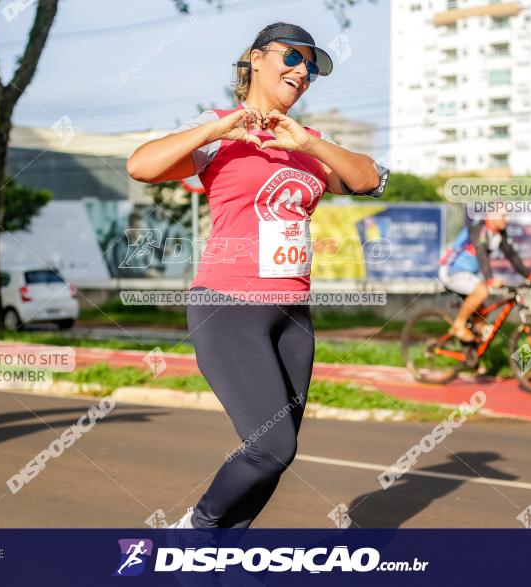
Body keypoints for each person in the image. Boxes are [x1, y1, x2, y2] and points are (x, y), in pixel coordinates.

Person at [126, 22, 388, 528]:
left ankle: (216, 556)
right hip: (228, 306)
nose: (302, 71)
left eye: (310, 66)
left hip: (292, 314)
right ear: (255, 58)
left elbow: (369, 180)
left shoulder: (306, 140)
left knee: (277, 455)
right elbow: (141, 166)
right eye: (292, 57)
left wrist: (309, 145)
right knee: (270, 445)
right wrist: (220, 129)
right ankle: (195, 531)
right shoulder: (218, 127)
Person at [438, 212, 531, 341]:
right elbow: (481, 253)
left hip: (467, 275)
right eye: (503, 216)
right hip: (451, 271)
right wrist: (490, 279)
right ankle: (459, 324)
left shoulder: (499, 234)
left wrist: (530, 275)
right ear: (491, 215)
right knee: (482, 291)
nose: (506, 220)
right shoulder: (479, 229)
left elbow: (511, 255)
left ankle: (472, 351)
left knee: (482, 314)